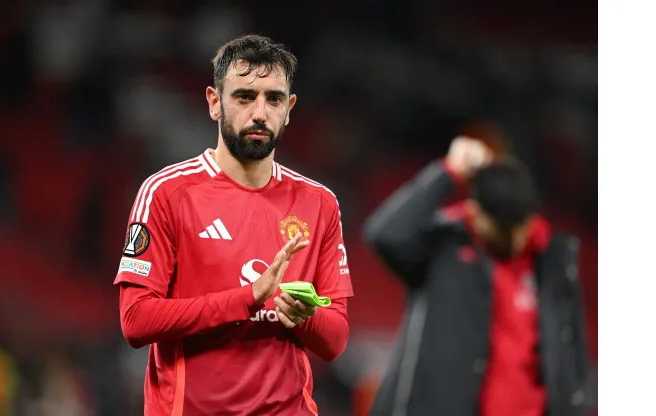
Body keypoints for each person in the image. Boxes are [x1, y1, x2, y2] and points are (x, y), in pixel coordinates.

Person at [114, 34, 353, 416]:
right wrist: (248, 298)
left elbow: (336, 339)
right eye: (244, 96)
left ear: (289, 109)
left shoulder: (318, 202)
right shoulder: (166, 193)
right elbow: (136, 321)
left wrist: (304, 318)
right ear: (214, 103)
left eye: (273, 99)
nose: (260, 112)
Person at [363, 137, 588, 416]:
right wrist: (449, 172)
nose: (513, 239)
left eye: (518, 228)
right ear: (474, 211)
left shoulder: (554, 260)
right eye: (500, 229)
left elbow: (571, 352)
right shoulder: (444, 248)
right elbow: (384, 234)